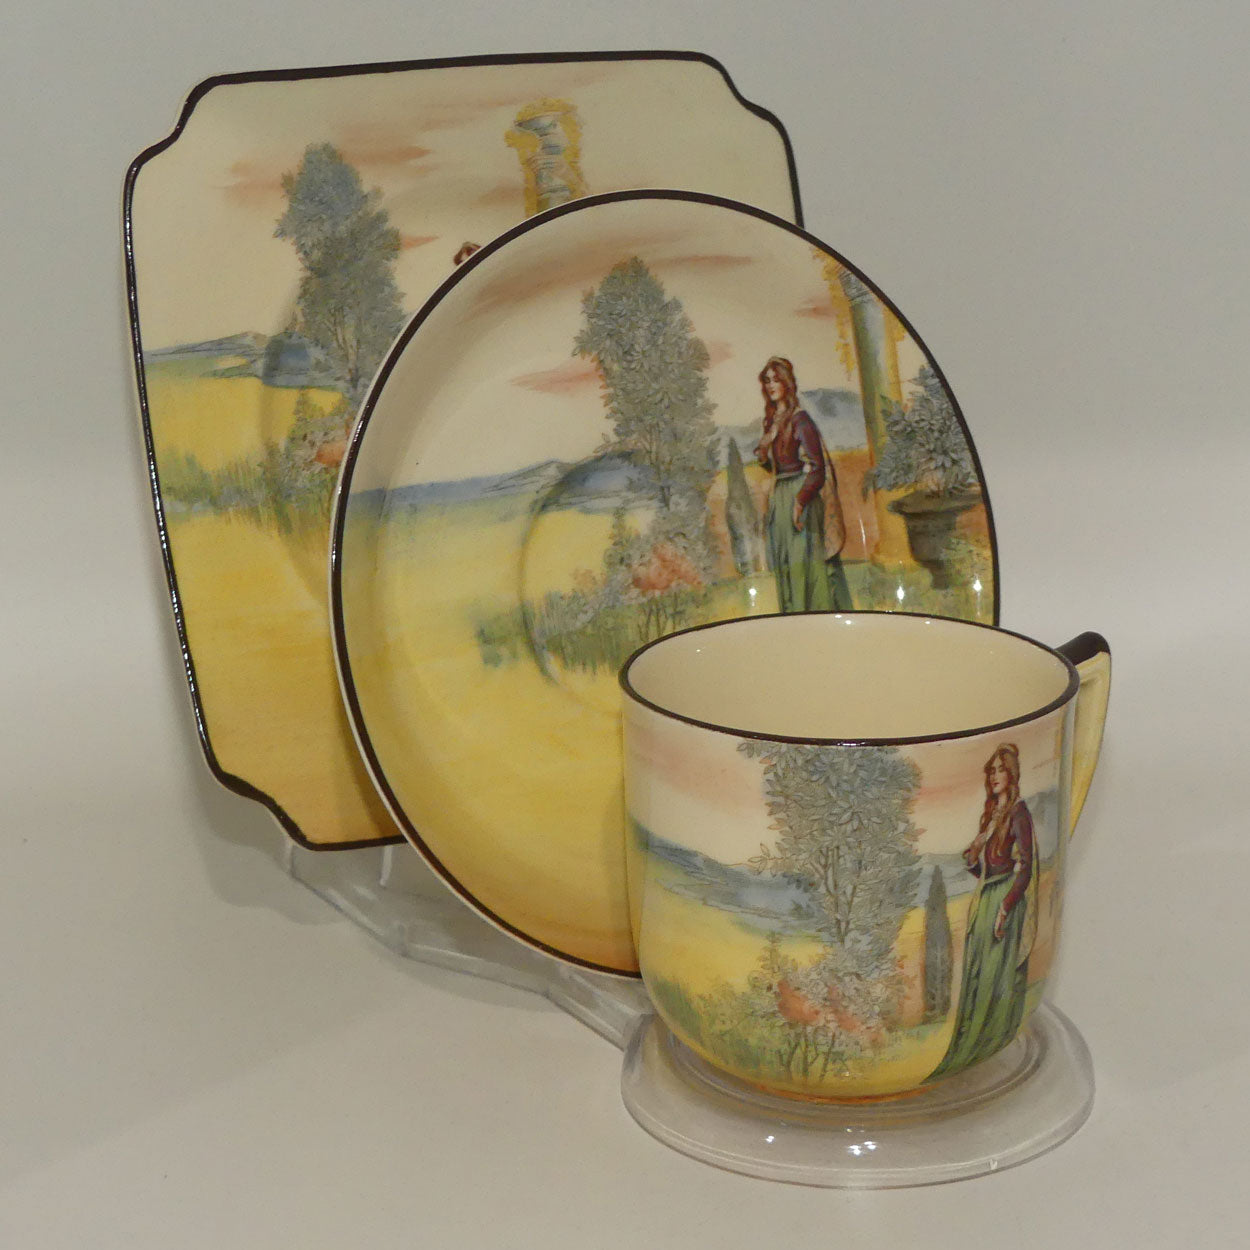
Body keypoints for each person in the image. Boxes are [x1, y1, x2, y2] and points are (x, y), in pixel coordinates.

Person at [928, 743, 1038, 1082]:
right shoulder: (992, 816)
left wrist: (1005, 907)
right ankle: (970, 1044)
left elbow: (1026, 867)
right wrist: (974, 860)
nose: (994, 776)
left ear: (1012, 774)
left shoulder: (1018, 813)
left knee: (994, 975)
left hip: (1003, 900)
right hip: (986, 897)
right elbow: (986, 870)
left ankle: (992, 1041)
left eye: (1000, 770)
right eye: (991, 771)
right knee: (977, 973)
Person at [753, 357, 851, 611]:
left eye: (776, 380)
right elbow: (778, 468)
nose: (771, 385)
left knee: (805, 568)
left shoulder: (800, 420)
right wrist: (763, 456)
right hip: (781, 498)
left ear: (787, 383)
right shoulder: (772, 420)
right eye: (767, 380)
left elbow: (817, 468)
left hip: (801, 498)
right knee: (787, 566)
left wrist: (799, 502)